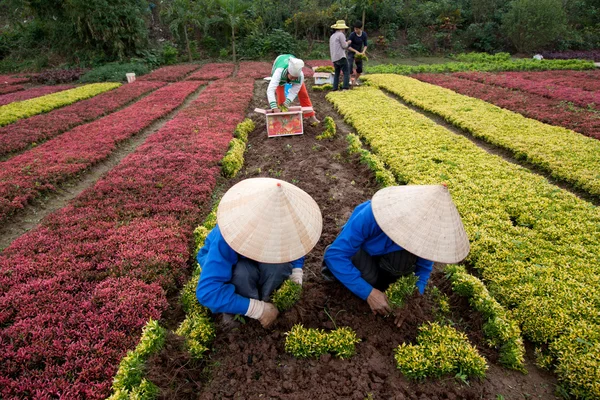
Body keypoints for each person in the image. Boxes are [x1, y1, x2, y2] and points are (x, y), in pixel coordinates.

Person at [322, 185, 470, 326]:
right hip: (364, 257)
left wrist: (410, 301)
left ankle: (380, 286)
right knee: (364, 273)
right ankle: (358, 283)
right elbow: (335, 254)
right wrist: (369, 293)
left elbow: (423, 270)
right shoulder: (372, 214)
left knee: (401, 261)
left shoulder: (426, 235)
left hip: (388, 267)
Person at [196, 178, 322, 329]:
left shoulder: (288, 228)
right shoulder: (227, 237)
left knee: (279, 266)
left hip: (259, 263)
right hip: (233, 265)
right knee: (242, 273)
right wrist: (257, 309)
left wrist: (296, 270)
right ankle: (240, 310)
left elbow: (295, 244)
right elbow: (208, 291)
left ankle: (268, 302)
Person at [267, 54, 320, 124]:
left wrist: (287, 103)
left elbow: (294, 91)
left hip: (293, 68)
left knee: (303, 93)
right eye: (292, 77)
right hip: (279, 61)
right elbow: (270, 90)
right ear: (288, 72)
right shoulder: (279, 72)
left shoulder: (300, 76)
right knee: (280, 95)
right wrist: (274, 107)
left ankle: (311, 116)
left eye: (296, 78)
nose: (294, 79)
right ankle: (283, 119)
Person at [329, 20, 352, 91]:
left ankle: (335, 88)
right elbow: (344, 46)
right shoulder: (341, 35)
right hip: (341, 56)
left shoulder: (332, 36)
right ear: (342, 28)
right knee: (346, 71)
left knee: (337, 73)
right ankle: (345, 87)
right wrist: (348, 42)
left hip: (334, 57)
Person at [347, 20, 368, 86]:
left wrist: (363, 52)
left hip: (359, 54)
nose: (355, 30)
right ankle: (350, 80)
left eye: (357, 29)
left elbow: (365, 45)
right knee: (350, 65)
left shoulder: (364, 34)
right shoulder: (352, 35)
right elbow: (348, 47)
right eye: (354, 29)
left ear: (360, 28)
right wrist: (356, 51)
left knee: (359, 68)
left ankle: (355, 80)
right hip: (352, 52)